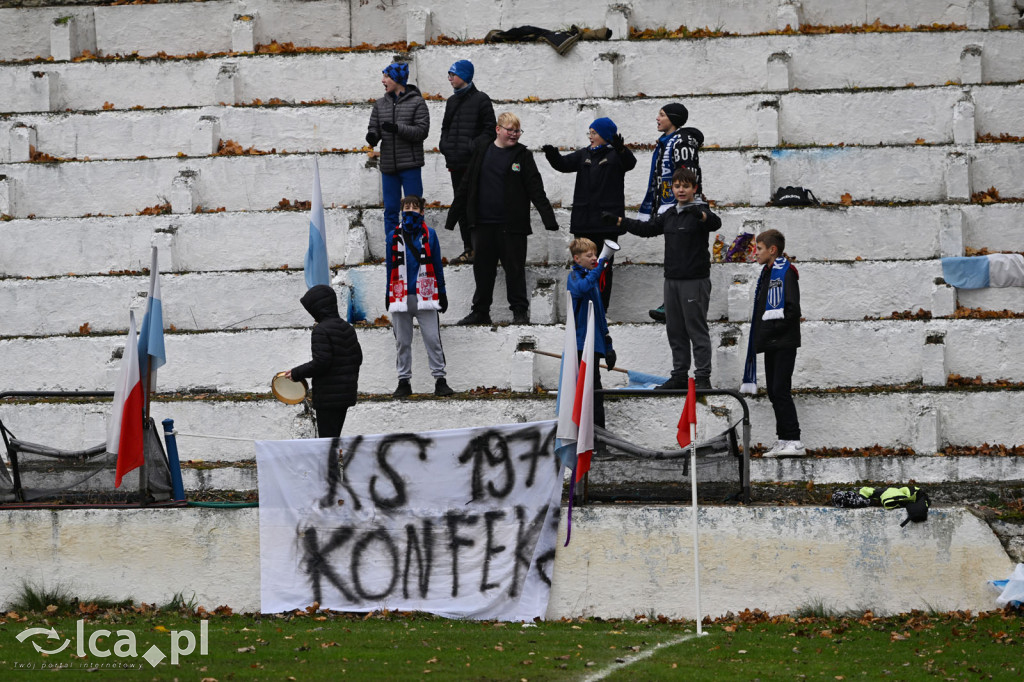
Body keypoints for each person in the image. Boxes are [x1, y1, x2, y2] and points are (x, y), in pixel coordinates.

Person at [607, 168, 719, 390]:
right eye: (677, 186)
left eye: (685, 186)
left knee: (696, 329)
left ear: (694, 189)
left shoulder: (700, 211)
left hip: (694, 281)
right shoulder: (670, 214)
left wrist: (701, 214)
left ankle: (702, 378)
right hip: (671, 280)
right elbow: (647, 229)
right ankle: (679, 375)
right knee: (675, 329)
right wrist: (621, 221)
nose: (681, 190)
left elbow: (714, 223)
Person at [445, 111, 559, 325]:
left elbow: (535, 188)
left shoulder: (523, 155)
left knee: (514, 269)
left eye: (517, 131)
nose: (515, 134)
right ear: (498, 129)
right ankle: (480, 311)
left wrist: (549, 219)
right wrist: (452, 218)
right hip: (482, 224)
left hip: (512, 226)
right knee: (483, 270)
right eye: (510, 130)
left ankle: (519, 312)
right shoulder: (482, 150)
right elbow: (466, 184)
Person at [542, 117, 636, 311]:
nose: (591, 136)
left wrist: (621, 149)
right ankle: (584, 307)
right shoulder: (584, 153)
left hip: (607, 222)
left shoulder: (616, 155)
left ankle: (602, 308)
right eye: (590, 133)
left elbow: (630, 162)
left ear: (605, 135)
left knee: (603, 268)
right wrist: (552, 154)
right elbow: (563, 164)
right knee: (583, 265)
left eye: (594, 133)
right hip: (584, 221)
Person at [636, 102, 704, 322]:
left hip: (682, 207)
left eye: (662, 115)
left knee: (682, 254)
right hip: (670, 207)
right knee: (673, 254)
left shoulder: (681, 143)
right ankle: (671, 302)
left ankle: (676, 303)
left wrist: (686, 204)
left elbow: (688, 175)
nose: (657, 118)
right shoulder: (665, 143)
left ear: (673, 119)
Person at [385, 195, 454, 399]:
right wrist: (388, 293)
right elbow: (390, 266)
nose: (410, 210)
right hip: (400, 295)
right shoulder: (393, 236)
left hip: (426, 294)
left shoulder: (430, 234)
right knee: (402, 342)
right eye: (407, 207)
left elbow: (437, 263)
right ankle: (403, 381)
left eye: (415, 207)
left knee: (432, 339)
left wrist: (441, 291)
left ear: (422, 212)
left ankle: (440, 379)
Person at [743, 229, 804, 457]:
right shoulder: (768, 274)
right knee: (774, 392)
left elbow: (791, 310)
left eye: (758, 249)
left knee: (780, 390)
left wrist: (771, 332)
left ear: (772, 250)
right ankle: (784, 438)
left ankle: (794, 441)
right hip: (772, 342)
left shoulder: (785, 273)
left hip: (783, 342)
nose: (755, 253)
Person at [439, 59, 496, 266]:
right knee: (461, 207)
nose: (450, 78)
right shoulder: (451, 102)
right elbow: (445, 128)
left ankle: (481, 248)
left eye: (453, 74)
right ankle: (468, 248)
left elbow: (490, 130)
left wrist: (472, 147)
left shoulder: (482, 99)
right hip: (455, 164)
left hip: (474, 165)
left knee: (476, 207)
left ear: (464, 75)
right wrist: (444, 145)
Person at [286, 284, 363, 438]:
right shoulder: (347, 328)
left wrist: (296, 373)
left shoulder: (321, 330)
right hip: (345, 394)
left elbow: (321, 362)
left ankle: (330, 464)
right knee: (334, 439)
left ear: (318, 308)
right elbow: (358, 358)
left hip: (328, 397)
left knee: (327, 443)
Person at [365, 61, 430, 236]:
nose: (382, 80)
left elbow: (422, 131)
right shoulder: (380, 104)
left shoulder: (417, 103)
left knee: (413, 209)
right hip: (388, 167)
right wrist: (373, 136)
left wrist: (398, 128)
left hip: (410, 166)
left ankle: (416, 247)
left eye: (386, 76)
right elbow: (375, 127)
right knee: (391, 211)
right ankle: (392, 250)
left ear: (397, 79)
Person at [567, 238, 616, 428]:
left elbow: (600, 318)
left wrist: (608, 346)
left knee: (596, 392)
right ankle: (588, 435)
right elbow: (581, 289)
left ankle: (598, 437)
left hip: (593, 344)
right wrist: (599, 268)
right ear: (577, 259)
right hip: (580, 345)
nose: (595, 258)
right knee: (588, 392)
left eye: (595, 254)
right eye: (590, 256)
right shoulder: (575, 277)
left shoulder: (592, 278)